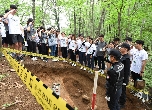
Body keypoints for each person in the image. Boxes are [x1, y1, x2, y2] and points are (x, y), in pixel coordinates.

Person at [119, 43, 131, 108]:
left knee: (122, 90)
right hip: (119, 76)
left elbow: (127, 71)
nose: (120, 48)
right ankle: (119, 100)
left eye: (121, 47)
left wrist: (125, 80)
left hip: (123, 78)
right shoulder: (121, 56)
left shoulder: (127, 58)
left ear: (125, 49)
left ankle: (122, 103)